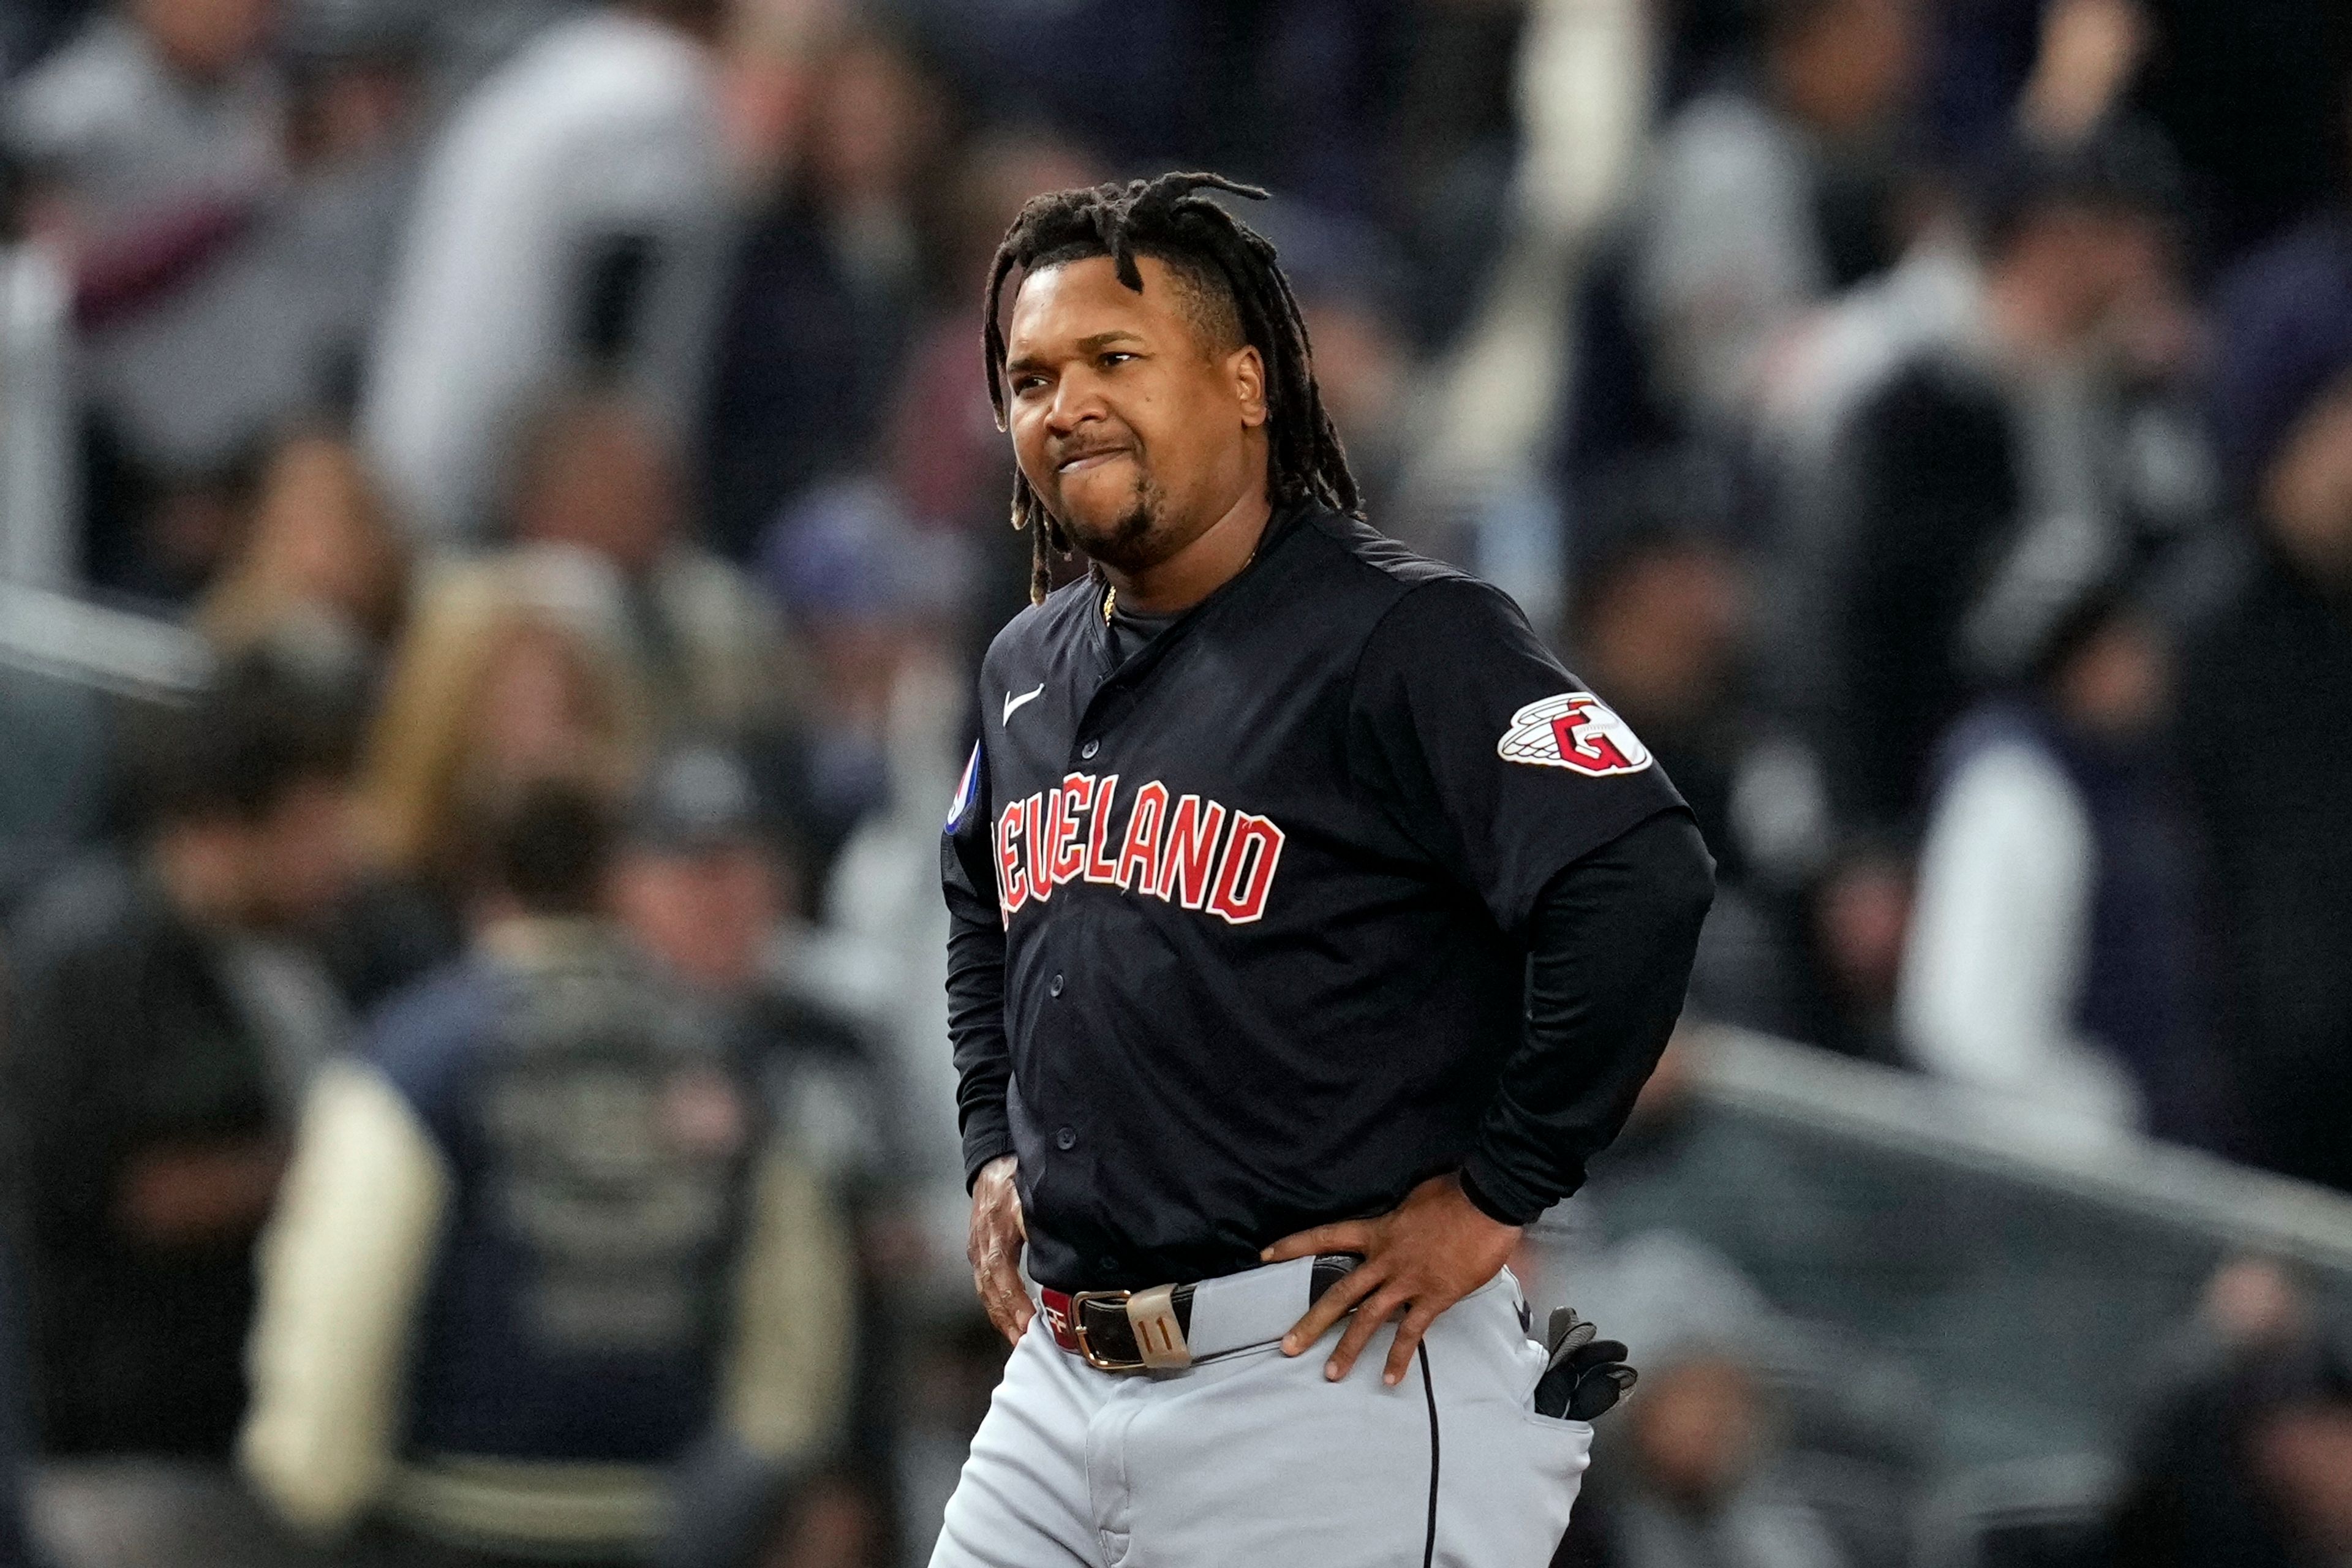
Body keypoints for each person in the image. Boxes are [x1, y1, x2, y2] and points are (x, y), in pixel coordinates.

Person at [935, 173, 1714, 1567]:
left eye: (1114, 359)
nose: (1065, 404)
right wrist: (996, 1139)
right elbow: (977, 902)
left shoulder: (1407, 640)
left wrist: (1496, 1188)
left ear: (1244, 385)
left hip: (1319, 1376)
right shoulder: (1026, 665)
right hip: (1061, 1376)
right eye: (1030, 375)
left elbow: (1636, 872)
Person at [241, 779, 854, 1564]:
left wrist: (314, 1483)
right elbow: (797, 1321)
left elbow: (347, 1286)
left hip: (447, 1513)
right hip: (661, 1516)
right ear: (616, 879)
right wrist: (753, 1469)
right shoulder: (721, 1058)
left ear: (479, 882)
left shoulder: (413, 1056)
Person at [1, 655, 358, 1458]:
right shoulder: (89, 963)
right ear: (220, 828)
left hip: (276, 1417)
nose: (341, 853)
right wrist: (344, 1168)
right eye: (310, 828)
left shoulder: (329, 947)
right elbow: (113, 1197)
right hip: (128, 1436)